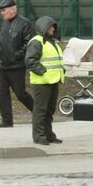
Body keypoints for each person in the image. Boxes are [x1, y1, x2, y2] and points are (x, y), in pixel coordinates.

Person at [0, 0, 34, 128]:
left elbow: (29, 42)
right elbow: (1, 44)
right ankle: (7, 120)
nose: (2, 13)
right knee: (2, 92)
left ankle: (39, 113)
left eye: (4, 10)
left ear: (12, 9)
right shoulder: (5, 23)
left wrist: (18, 55)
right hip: (3, 66)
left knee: (20, 93)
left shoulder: (24, 23)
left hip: (16, 66)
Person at [25, 16, 65, 146]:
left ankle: (49, 135)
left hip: (53, 80)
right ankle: (39, 136)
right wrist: (43, 71)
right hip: (42, 82)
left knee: (49, 110)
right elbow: (30, 60)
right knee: (40, 110)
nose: (53, 29)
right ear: (44, 27)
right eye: (51, 26)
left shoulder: (51, 42)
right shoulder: (37, 42)